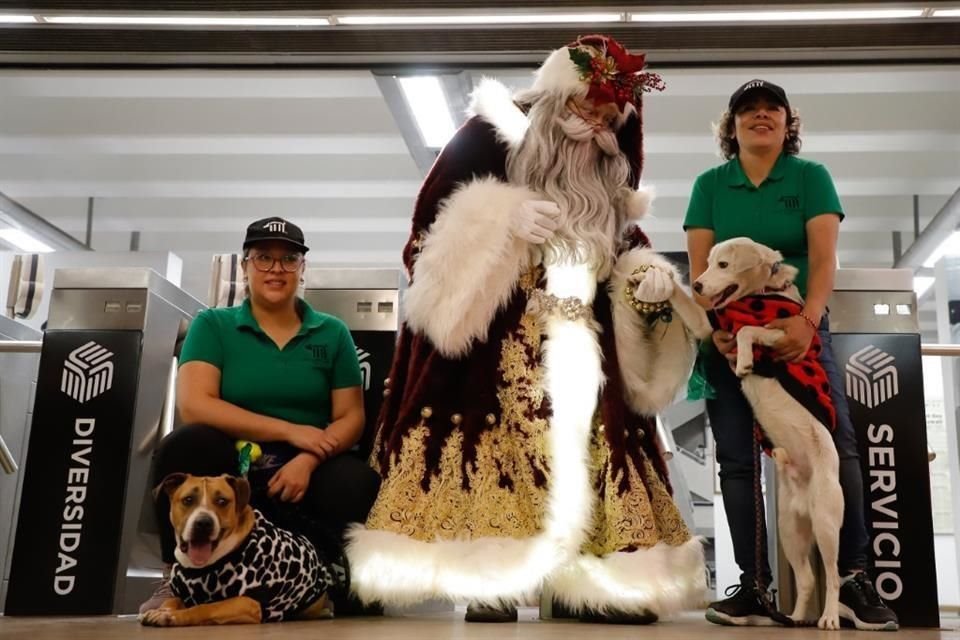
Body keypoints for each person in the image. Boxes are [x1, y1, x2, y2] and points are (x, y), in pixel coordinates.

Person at [344, 35, 706, 624]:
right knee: (496, 452)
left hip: (584, 346)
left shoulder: (610, 178)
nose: (591, 127)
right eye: (581, 110)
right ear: (551, 101)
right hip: (492, 347)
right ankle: (494, 582)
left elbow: (624, 248)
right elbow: (424, 240)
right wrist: (500, 219)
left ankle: (594, 585)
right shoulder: (483, 139)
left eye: (606, 116)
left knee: (589, 454)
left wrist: (647, 277)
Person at [684, 79, 899, 631]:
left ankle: (851, 578)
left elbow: (824, 262)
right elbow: (702, 275)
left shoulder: (810, 178)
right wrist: (716, 332)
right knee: (735, 460)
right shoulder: (710, 185)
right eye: (748, 110)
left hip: (798, 330)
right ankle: (753, 586)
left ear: (787, 122)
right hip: (731, 336)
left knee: (838, 447)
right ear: (731, 126)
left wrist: (807, 321)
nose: (761, 116)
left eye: (771, 109)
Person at [139, 216, 381, 615]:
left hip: (308, 463)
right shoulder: (213, 325)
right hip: (231, 460)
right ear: (245, 265)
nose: (276, 269)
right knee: (185, 444)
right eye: (263, 258)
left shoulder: (332, 332)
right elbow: (195, 404)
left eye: (288, 260)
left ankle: (330, 580)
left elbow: (350, 417)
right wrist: (290, 430)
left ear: (302, 268)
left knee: (357, 482)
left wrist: (309, 457)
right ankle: (176, 576)